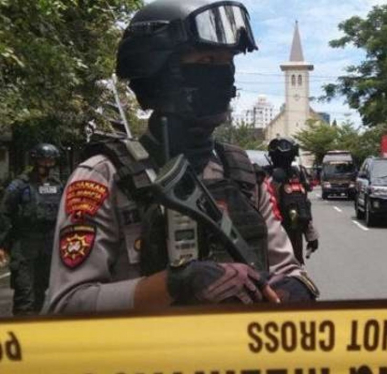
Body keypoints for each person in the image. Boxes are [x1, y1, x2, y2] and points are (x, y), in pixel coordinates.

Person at [45, 0, 318, 314]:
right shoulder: (104, 177)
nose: (223, 75)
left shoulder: (242, 173)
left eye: (227, 62)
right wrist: (173, 285)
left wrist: (295, 287)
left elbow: (289, 268)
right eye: (207, 60)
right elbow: (67, 306)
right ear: (159, 73)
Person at [0, 143, 63, 315]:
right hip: (24, 244)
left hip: (48, 245)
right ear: (35, 160)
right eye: (44, 160)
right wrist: (2, 245)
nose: (48, 164)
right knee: (24, 293)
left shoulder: (57, 185)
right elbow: (4, 214)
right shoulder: (19, 185)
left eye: (51, 160)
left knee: (40, 291)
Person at [267, 137, 319, 264]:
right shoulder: (263, 177)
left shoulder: (297, 175)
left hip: (294, 239)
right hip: (271, 241)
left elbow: (303, 207)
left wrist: (311, 235)